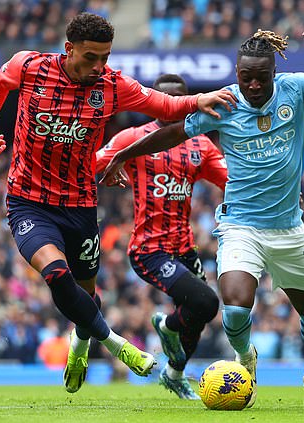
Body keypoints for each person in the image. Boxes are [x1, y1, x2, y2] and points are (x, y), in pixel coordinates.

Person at [101, 24, 304, 408]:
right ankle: (245, 361)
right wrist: (124, 155)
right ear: (237, 75)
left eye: (260, 78)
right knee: (236, 308)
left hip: (289, 227)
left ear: (274, 74)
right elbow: (173, 132)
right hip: (240, 225)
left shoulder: (300, 88)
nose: (253, 86)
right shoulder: (224, 102)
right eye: (245, 78)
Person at [0, 12, 236, 393]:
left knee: (86, 292)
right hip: (28, 201)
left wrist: (199, 99)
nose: (99, 66)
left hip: (80, 205)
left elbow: (163, 105)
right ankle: (117, 345)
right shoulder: (30, 66)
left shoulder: (112, 86)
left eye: (105, 57)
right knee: (57, 276)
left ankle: (81, 343)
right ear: (68, 48)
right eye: (91, 57)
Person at [96, 73, 228, 400]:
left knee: (202, 312)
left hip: (183, 248)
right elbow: (94, 163)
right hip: (149, 250)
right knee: (205, 300)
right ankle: (167, 327)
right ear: (153, 102)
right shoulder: (134, 138)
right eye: (163, 101)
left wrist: (271, 194)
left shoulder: (199, 145)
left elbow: (231, 181)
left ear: (186, 103)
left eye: (176, 101)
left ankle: (174, 374)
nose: (169, 109)